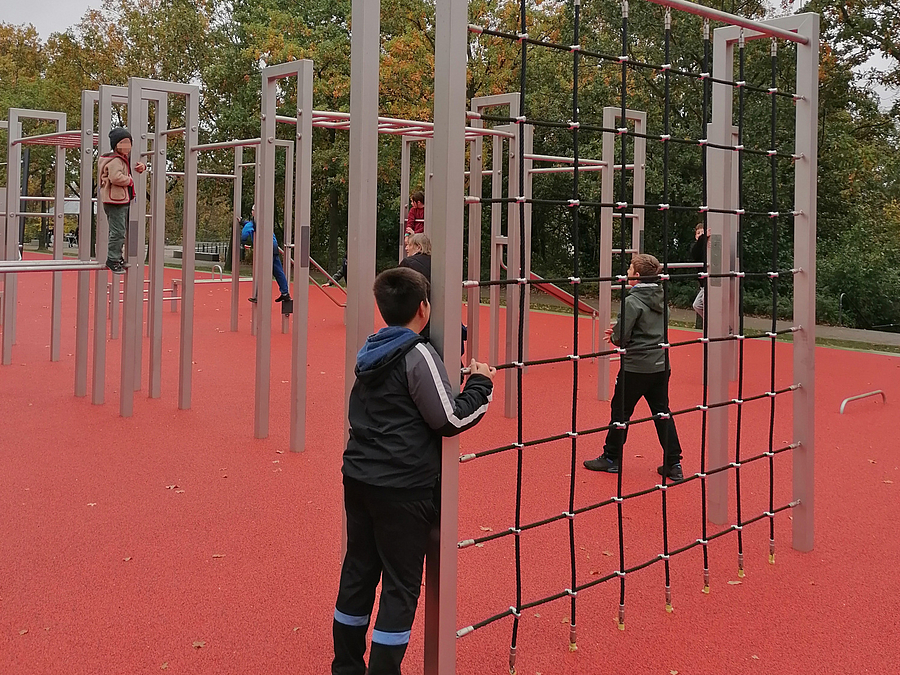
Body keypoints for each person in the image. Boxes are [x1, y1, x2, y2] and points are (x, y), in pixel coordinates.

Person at [333, 267, 495, 675]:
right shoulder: (418, 354)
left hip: (359, 477)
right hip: (403, 487)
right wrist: (480, 384)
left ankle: (346, 665)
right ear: (424, 308)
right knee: (400, 586)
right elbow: (447, 420)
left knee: (358, 571)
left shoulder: (371, 348)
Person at [583, 253, 685, 482]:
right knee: (662, 413)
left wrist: (617, 334)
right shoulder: (661, 297)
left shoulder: (632, 301)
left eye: (630, 269)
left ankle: (611, 458)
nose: (627, 272)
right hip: (660, 365)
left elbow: (621, 338)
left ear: (637, 276)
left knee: (620, 413)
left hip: (636, 368)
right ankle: (673, 463)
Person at [98, 127, 146, 274]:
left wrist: (142, 167)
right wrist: (129, 180)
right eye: (123, 143)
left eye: (129, 143)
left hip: (119, 199)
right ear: (115, 145)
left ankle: (117, 257)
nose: (127, 146)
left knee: (119, 230)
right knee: (118, 231)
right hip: (115, 200)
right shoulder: (115, 161)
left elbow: (132, 166)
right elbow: (115, 177)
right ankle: (112, 259)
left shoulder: (122, 159)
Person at [240, 205, 291, 303]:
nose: (252, 212)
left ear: (255, 212)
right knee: (278, 271)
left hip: (265, 248)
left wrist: (243, 243)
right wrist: (243, 222)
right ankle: (285, 293)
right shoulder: (265, 222)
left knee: (262, 272)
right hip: (274, 246)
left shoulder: (254, 223)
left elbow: (246, 231)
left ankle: (260, 295)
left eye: (252, 210)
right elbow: (248, 225)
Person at [691, 222, 707, 328]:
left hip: (709, 283)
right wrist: (703, 238)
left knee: (705, 303)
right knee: (697, 305)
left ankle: (713, 324)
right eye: (698, 233)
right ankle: (711, 322)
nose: (700, 235)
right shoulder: (696, 246)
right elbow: (695, 253)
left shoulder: (709, 246)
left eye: (702, 232)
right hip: (703, 284)